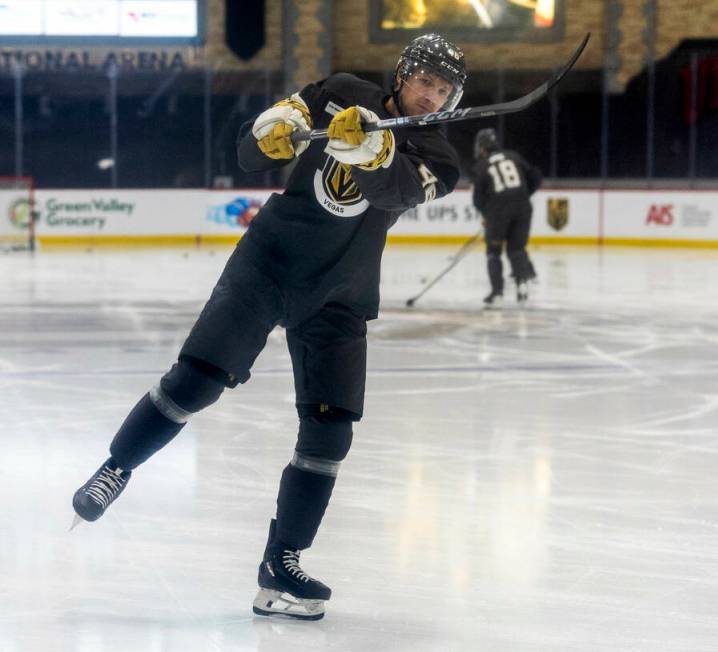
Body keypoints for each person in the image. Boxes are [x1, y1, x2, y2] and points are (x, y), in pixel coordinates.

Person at [71, 33, 466, 621]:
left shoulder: (438, 156)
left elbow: (395, 191)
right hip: (269, 264)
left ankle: (281, 563)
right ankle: (116, 468)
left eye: (443, 90)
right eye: (425, 82)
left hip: (340, 292)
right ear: (402, 75)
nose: (431, 98)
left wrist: (375, 155)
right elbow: (252, 154)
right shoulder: (339, 93)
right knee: (196, 383)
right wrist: (268, 130)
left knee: (331, 431)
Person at [471, 128, 542, 308]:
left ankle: (497, 292)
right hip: (523, 207)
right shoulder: (513, 156)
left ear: (482, 147)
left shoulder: (481, 166)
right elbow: (535, 176)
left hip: (498, 212)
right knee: (517, 250)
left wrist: (487, 214)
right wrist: (524, 194)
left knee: (493, 253)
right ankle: (522, 285)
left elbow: (478, 199)